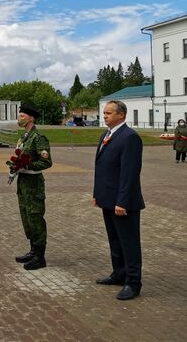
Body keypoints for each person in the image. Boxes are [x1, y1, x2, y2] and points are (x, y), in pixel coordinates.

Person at [94, 100, 144, 300]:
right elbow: (102, 169)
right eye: (104, 113)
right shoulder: (106, 134)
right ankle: (119, 273)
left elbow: (129, 173)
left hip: (123, 203)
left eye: (108, 113)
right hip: (107, 199)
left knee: (129, 243)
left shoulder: (130, 137)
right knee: (114, 240)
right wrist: (97, 194)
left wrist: (122, 201)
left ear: (121, 115)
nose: (104, 116)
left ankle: (133, 282)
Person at [14, 104, 52, 270]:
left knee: (35, 218)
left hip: (34, 186)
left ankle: (40, 256)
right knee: (26, 218)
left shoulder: (38, 138)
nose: (19, 118)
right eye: (19, 115)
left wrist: (27, 166)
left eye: (22, 116)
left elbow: (46, 161)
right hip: (23, 184)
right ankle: (32, 250)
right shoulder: (24, 137)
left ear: (31, 118)